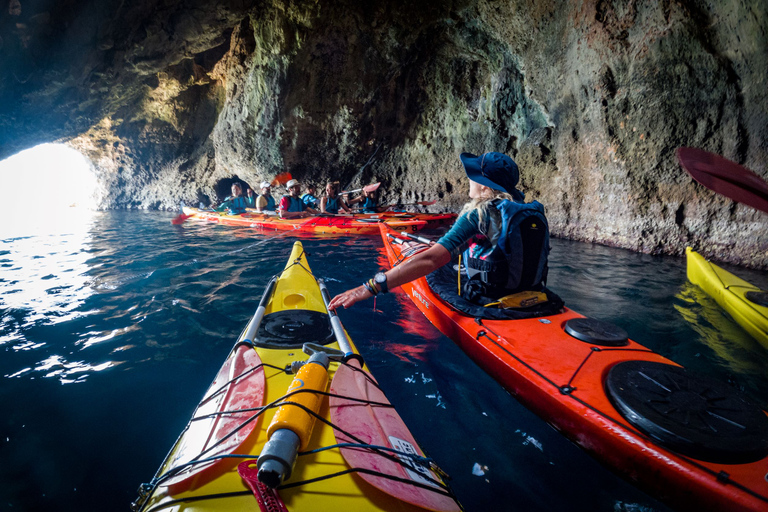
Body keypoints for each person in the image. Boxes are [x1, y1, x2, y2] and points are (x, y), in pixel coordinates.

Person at [329, 152, 550, 310]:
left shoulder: (480, 213)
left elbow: (431, 260)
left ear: (484, 185)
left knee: (437, 272)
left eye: (474, 176)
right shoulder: (531, 211)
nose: (469, 179)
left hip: (491, 302)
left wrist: (368, 288)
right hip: (534, 297)